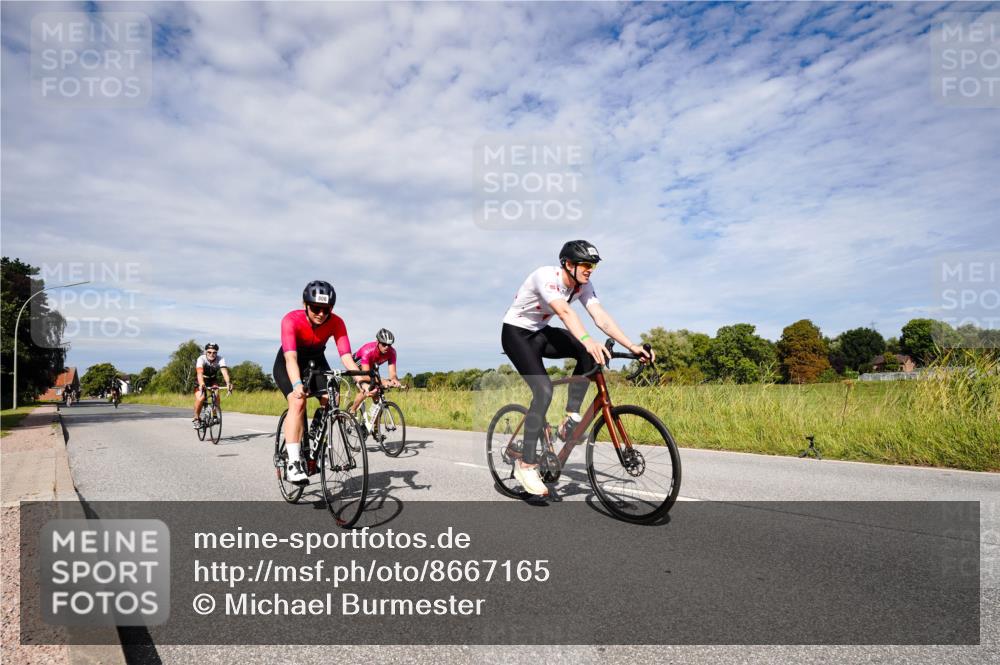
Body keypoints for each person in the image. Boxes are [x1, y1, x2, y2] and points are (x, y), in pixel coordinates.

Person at [501, 240, 654, 497]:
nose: (590, 270)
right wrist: (587, 340)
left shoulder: (584, 285)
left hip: (540, 333)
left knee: (587, 354)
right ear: (568, 264)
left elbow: (600, 316)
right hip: (516, 335)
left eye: (592, 265)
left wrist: (631, 345)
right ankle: (525, 464)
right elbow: (564, 312)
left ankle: (570, 417)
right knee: (544, 391)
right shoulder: (546, 277)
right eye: (585, 265)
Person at [273, 280, 371, 484]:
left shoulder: (336, 322)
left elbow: (346, 357)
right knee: (298, 402)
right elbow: (290, 358)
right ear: (305, 305)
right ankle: (293, 463)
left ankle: (314, 440)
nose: (321, 314)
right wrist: (297, 384)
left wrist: (361, 380)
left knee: (332, 398)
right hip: (290, 361)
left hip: (316, 360)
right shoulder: (291, 320)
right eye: (316, 308)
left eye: (326, 309)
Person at [348, 328, 404, 421]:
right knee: (366, 388)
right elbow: (366, 375)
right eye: (384, 344)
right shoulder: (368, 350)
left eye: (389, 345)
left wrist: (394, 380)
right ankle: (352, 411)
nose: (387, 347)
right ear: (377, 342)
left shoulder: (392, 352)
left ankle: (374, 426)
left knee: (377, 394)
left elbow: (393, 373)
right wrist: (383, 381)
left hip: (371, 367)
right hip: (357, 367)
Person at [192, 343, 233, 427]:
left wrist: (228, 383)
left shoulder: (220, 359)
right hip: (201, 380)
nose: (212, 354)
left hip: (212, 380)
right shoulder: (201, 359)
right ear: (205, 352)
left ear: (217, 353)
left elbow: (224, 372)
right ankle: (196, 418)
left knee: (216, 395)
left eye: (214, 352)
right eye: (209, 352)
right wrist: (201, 384)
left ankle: (214, 415)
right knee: (201, 398)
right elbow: (199, 373)